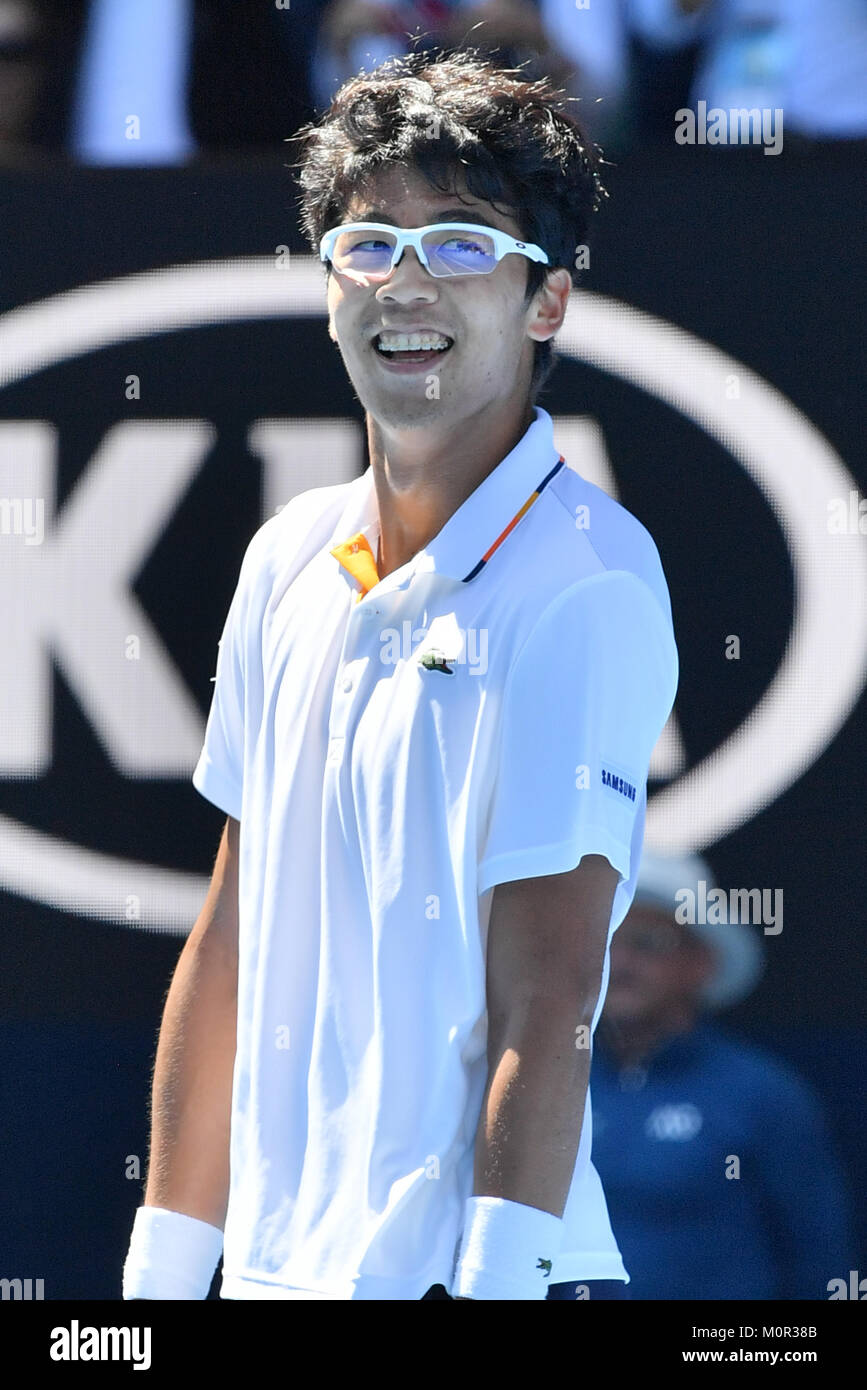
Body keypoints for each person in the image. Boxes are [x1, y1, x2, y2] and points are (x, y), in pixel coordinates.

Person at [122, 44, 679, 1301]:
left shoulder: (586, 580)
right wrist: (157, 1285)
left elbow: (553, 995)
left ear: (547, 304)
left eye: (465, 245)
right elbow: (230, 944)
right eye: (370, 245)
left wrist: (485, 1287)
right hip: (275, 1272)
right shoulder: (286, 558)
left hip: (479, 1274)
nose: (405, 283)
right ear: (329, 289)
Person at [584, 850, 857, 1299]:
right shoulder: (546, 1082)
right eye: (608, 938)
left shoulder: (763, 1093)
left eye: (648, 942)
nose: (622, 961)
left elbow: (821, 1260)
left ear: (701, 963)